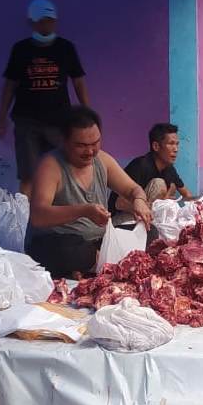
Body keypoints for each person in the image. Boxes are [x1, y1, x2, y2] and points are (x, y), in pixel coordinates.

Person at [27, 106, 153, 279]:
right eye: (81, 145)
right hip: (60, 242)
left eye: (95, 143)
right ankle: (102, 263)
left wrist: (139, 200)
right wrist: (84, 211)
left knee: (150, 232)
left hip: (98, 242)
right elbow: (38, 216)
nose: (90, 152)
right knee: (70, 251)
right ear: (64, 141)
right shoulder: (50, 166)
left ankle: (96, 264)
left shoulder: (102, 160)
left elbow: (132, 189)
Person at [0, 0, 90, 197]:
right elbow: (10, 85)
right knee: (28, 176)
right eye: (42, 21)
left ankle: (61, 210)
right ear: (32, 22)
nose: (47, 25)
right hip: (27, 121)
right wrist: (2, 118)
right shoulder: (21, 50)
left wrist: (88, 115)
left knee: (62, 171)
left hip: (59, 121)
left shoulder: (65, 48)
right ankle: (26, 213)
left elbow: (78, 82)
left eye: (50, 21)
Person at [110, 123, 195, 221]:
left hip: (146, 217)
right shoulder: (140, 165)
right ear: (156, 146)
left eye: (177, 144)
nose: (176, 149)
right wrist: (157, 205)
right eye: (171, 144)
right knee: (159, 184)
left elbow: (187, 194)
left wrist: (199, 207)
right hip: (121, 220)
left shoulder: (169, 168)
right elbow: (119, 203)